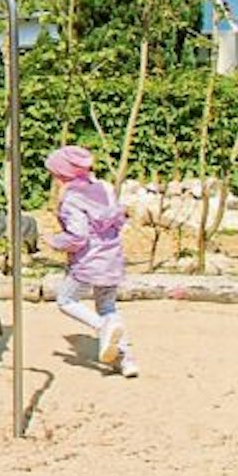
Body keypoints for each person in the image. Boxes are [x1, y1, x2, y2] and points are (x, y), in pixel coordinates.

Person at [46, 145, 138, 377]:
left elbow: (78, 236)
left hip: (87, 262)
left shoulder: (72, 200)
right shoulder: (105, 188)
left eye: (55, 174)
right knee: (107, 307)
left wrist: (54, 241)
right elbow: (117, 220)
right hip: (111, 258)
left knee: (66, 300)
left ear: (63, 174)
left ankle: (101, 327)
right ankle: (126, 360)